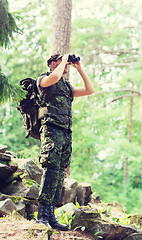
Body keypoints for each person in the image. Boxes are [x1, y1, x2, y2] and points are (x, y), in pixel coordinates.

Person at [36, 53, 94, 231]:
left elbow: (89, 90)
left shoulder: (67, 87)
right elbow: (54, 76)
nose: (66, 67)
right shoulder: (44, 80)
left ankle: (51, 215)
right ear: (53, 64)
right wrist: (63, 59)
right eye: (62, 64)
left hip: (65, 133)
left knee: (60, 173)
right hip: (51, 129)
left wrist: (79, 67)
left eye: (66, 65)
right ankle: (42, 215)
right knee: (51, 170)